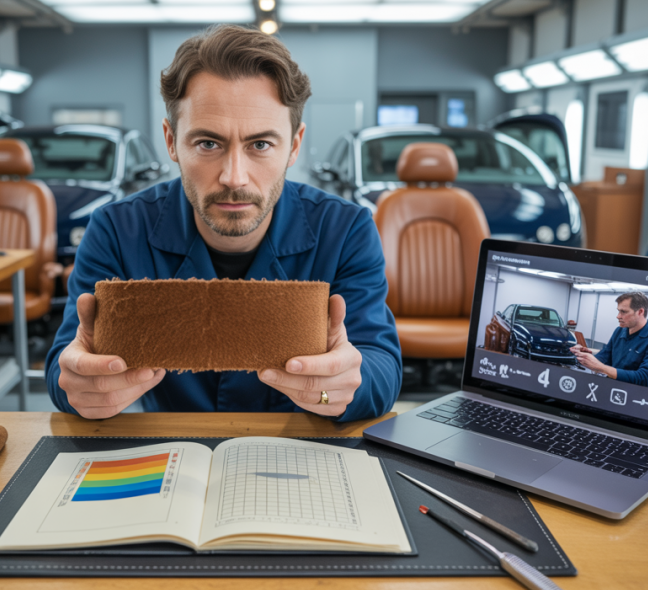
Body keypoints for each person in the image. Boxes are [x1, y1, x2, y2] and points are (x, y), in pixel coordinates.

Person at [45, 25, 401, 421]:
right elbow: (66, 362)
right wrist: (80, 385)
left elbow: (380, 367)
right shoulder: (115, 228)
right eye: (208, 144)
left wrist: (347, 385)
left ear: (294, 145)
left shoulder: (346, 229)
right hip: (170, 451)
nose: (234, 176)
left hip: (300, 449)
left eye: (260, 145)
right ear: (171, 141)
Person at [569, 292, 648, 388]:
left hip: (631, 396)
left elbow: (644, 378)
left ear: (640, 312)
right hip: (608, 387)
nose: (618, 316)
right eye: (619, 311)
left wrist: (601, 368)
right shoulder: (619, 331)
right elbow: (605, 357)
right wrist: (585, 356)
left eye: (624, 312)